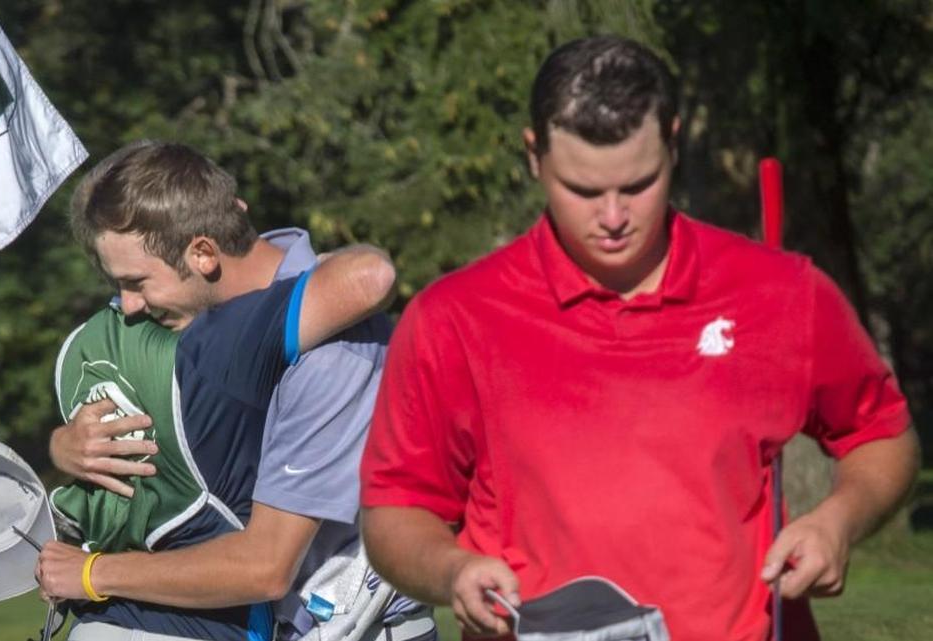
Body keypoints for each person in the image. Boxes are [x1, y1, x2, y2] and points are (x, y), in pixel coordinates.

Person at [358, 35, 918, 641]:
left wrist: (837, 522)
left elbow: (882, 435)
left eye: (638, 184)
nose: (614, 217)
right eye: (583, 190)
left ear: (673, 144)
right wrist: (452, 571)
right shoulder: (453, 318)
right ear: (534, 155)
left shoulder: (781, 291)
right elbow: (394, 511)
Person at [36, 140, 434, 641]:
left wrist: (94, 573)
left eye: (137, 282)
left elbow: (264, 567)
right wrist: (66, 446)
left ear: (204, 252)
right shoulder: (198, 310)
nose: (128, 305)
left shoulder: (332, 350)